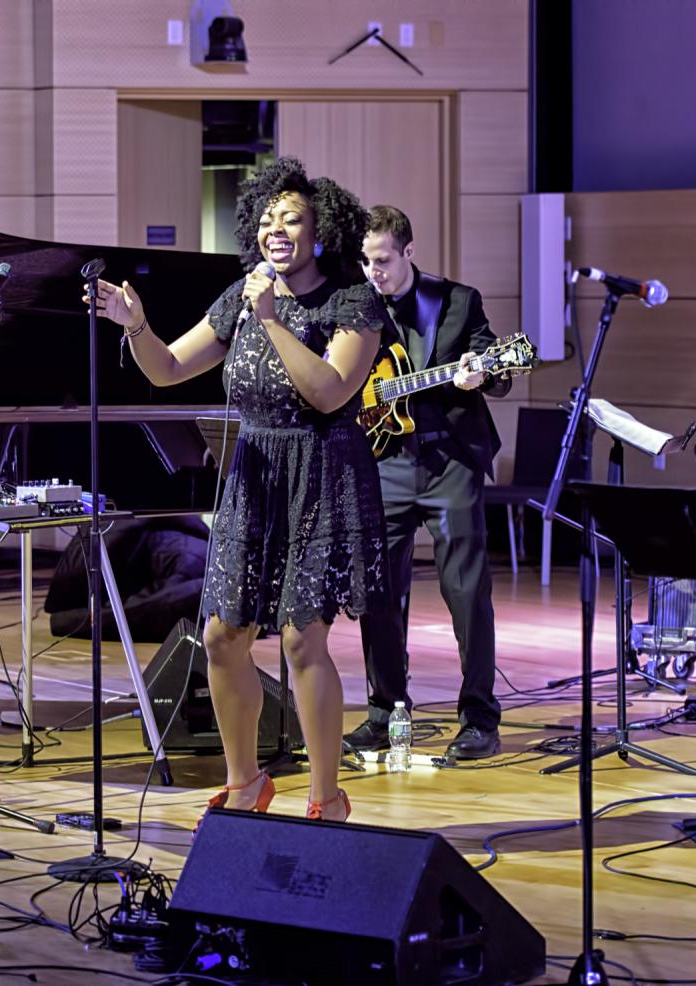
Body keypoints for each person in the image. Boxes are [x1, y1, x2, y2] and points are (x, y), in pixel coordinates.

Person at [87, 158, 388, 823]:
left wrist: (275, 320)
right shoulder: (241, 294)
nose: (276, 230)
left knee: (302, 640)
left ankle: (325, 797)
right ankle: (245, 780)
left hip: (320, 478)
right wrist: (135, 324)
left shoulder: (351, 302)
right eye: (267, 218)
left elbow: (330, 390)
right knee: (223, 635)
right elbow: (166, 369)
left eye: (293, 219)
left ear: (322, 230)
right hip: (252, 478)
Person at [341, 205, 511, 762]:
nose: (374, 273)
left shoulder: (457, 301)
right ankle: (385, 711)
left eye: (384, 260)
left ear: (409, 251)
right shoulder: (354, 305)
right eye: (365, 262)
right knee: (377, 592)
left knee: (466, 591)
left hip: (448, 461)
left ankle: (479, 717)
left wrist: (483, 371)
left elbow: (499, 369)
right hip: (382, 461)